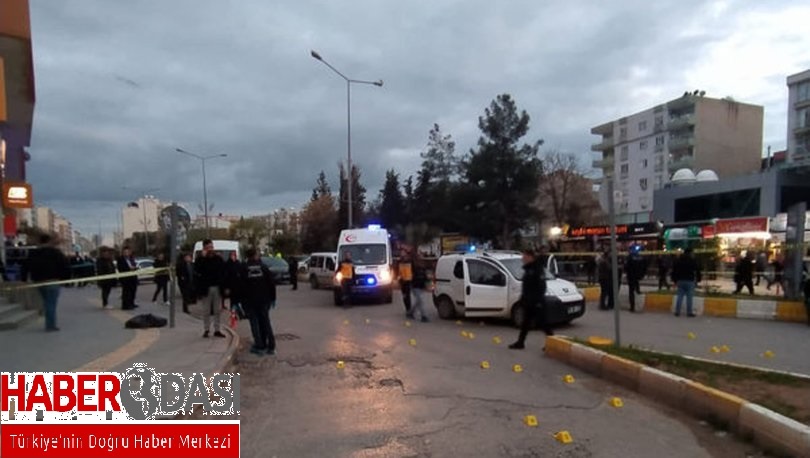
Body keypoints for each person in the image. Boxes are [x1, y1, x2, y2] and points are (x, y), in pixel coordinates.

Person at [509, 248, 553, 350]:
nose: (522, 258)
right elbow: (527, 287)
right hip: (529, 301)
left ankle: (553, 344)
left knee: (543, 324)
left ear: (530, 257)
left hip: (537, 302)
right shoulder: (529, 269)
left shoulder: (537, 269)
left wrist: (537, 301)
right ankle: (520, 343)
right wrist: (523, 298)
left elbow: (541, 286)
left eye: (524, 256)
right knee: (525, 323)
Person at [26, 235, 70, 331]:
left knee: (46, 302)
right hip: (53, 280)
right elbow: (65, 265)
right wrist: (65, 280)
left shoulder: (33, 253)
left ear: (39, 241)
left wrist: (25, 278)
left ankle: (49, 322)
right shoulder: (55, 252)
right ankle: (50, 325)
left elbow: (26, 266)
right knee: (51, 303)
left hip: (39, 281)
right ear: (49, 241)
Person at [240, 248, 277, 355]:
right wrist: (273, 298)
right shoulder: (263, 267)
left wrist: (240, 301)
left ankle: (259, 345)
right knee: (266, 322)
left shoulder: (244, 268)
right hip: (264, 299)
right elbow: (271, 283)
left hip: (250, 300)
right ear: (256, 255)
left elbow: (240, 286)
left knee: (254, 323)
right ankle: (271, 346)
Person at [194, 239, 227, 338]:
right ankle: (206, 329)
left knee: (217, 310)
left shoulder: (218, 258)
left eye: (211, 247)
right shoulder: (200, 259)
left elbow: (223, 272)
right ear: (204, 248)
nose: (210, 249)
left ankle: (217, 329)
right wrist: (203, 258)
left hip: (217, 287)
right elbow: (197, 270)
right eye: (208, 247)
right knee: (206, 310)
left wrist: (224, 287)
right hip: (206, 288)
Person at [672, 248, 701, 317]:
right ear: (690, 253)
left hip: (680, 280)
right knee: (689, 297)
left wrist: (674, 280)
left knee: (680, 296)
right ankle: (689, 312)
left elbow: (674, 270)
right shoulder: (692, 260)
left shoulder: (679, 260)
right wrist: (698, 279)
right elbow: (697, 270)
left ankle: (677, 311)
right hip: (689, 280)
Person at [408, 254, 429, 322]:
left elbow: (425, 276)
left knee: (418, 301)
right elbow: (410, 276)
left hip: (421, 286)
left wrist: (427, 283)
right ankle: (423, 316)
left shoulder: (423, 267)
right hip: (415, 286)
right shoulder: (413, 266)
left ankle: (410, 313)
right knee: (420, 301)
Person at [625, 248, 645, 312]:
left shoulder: (629, 258)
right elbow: (643, 266)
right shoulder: (640, 258)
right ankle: (638, 291)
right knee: (635, 287)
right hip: (637, 276)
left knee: (631, 292)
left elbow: (626, 267)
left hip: (631, 277)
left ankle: (632, 307)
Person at [398, 249, 413, 317]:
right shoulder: (400, 261)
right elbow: (398, 272)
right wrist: (399, 279)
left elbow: (412, 270)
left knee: (407, 296)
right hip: (403, 281)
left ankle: (409, 309)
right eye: (401, 253)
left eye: (403, 253)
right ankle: (408, 309)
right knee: (405, 296)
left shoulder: (410, 261)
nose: (402, 254)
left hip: (408, 281)